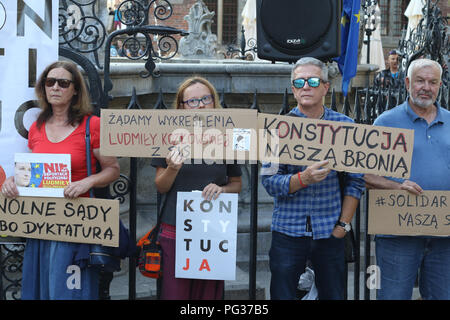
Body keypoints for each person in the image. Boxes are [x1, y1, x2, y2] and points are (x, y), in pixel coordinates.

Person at [1, 61, 120, 300]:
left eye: (63, 82)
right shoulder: (36, 127)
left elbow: (113, 170)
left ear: (75, 89)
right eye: (49, 82)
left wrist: (88, 181)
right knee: (42, 289)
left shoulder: (92, 125)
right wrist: (14, 180)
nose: (55, 87)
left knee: (67, 292)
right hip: (42, 221)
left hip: (76, 222)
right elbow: (35, 172)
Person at [261, 57, 365, 300]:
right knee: (283, 294)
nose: (306, 86)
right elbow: (269, 182)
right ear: (294, 89)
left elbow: (356, 181)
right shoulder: (277, 128)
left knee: (333, 294)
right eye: (299, 82)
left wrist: (342, 227)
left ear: (326, 87)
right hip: (288, 231)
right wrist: (303, 178)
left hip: (329, 231)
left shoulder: (345, 126)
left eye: (313, 80)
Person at [365, 58, 450, 300]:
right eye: (420, 81)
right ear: (407, 83)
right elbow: (365, 175)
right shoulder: (386, 122)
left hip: (444, 235)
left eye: (432, 82)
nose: (426, 87)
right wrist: (396, 185)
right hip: (397, 234)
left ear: (440, 85)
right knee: (393, 296)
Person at [151, 76, 242, 300]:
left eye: (205, 99)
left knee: (208, 296)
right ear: (181, 106)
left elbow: (237, 184)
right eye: (191, 101)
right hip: (175, 231)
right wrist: (172, 168)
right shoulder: (168, 136)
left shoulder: (227, 138)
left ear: (214, 101)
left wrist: (222, 189)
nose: (200, 105)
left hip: (213, 231)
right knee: (175, 294)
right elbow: (160, 187)